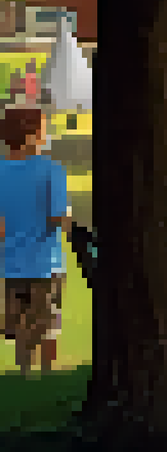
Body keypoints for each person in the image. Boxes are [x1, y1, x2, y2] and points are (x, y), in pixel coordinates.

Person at [0, 107, 68, 376]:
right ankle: (48, 374)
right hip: (45, 262)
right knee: (47, 325)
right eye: (43, 129)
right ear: (30, 136)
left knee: (19, 325)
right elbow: (57, 215)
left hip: (11, 263)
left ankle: (24, 374)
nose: (46, 134)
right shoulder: (52, 171)